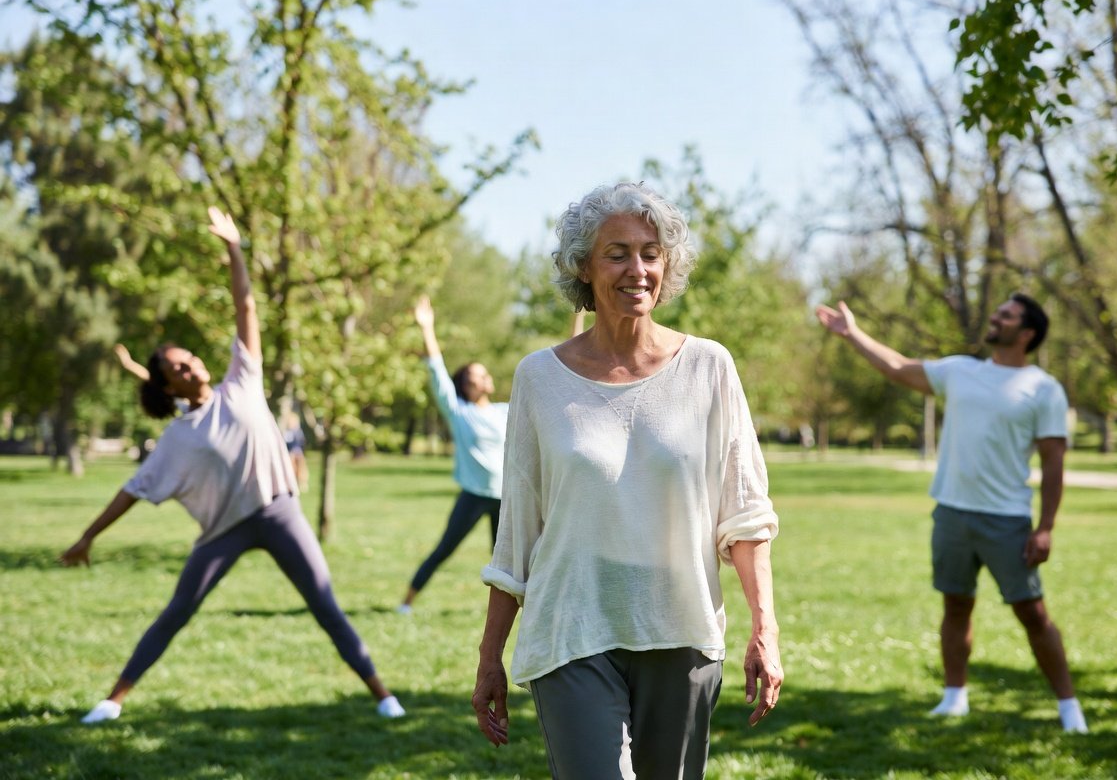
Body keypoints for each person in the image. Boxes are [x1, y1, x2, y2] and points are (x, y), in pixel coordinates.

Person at [471, 182, 783, 779]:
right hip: (572, 624)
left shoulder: (709, 367)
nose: (636, 269)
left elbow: (744, 513)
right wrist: (491, 657)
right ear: (583, 268)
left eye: (650, 252)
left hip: (681, 624)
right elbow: (519, 531)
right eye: (616, 253)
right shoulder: (538, 378)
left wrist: (764, 628)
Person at [60, 206, 406, 723]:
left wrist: (234, 249)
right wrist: (88, 537)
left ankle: (384, 696)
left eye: (188, 357)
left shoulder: (241, 378)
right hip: (224, 530)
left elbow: (246, 305)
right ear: (167, 386)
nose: (188, 363)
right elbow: (131, 491)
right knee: (177, 612)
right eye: (175, 367)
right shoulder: (177, 437)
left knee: (325, 606)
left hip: (280, 511)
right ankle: (112, 700)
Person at [815, 294, 1088, 733]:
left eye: (1007, 315)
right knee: (956, 605)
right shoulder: (961, 370)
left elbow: (1054, 464)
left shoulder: (1043, 389)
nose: (995, 317)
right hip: (953, 515)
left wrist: (1046, 528)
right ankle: (954, 698)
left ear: (1028, 333)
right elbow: (899, 367)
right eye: (999, 312)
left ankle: (1069, 707)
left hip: (1007, 521)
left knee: (1033, 614)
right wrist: (853, 334)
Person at [397, 295, 509, 614]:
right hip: (474, 495)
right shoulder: (460, 414)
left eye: (484, 373)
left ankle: (510, 614)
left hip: (506, 498)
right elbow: (437, 372)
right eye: (475, 375)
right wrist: (427, 327)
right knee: (444, 549)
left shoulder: (505, 412)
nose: (483, 377)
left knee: (508, 565)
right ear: (466, 385)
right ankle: (406, 603)